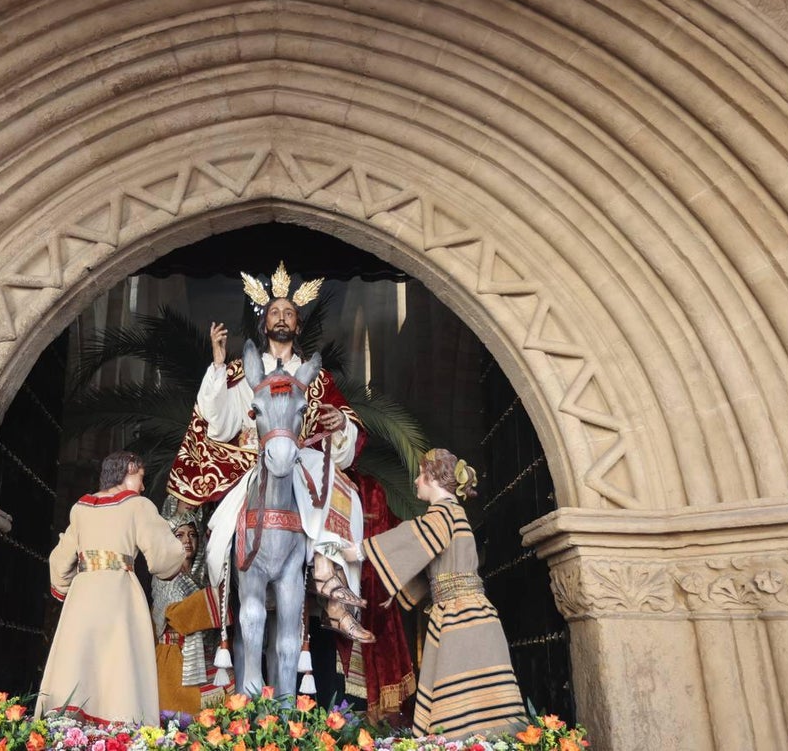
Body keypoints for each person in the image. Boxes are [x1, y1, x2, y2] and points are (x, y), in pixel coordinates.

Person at [165, 262, 374, 644]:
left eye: (289, 313)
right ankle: (223, 596)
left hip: (300, 459)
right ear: (265, 324)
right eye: (275, 312)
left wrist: (338, 424)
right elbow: (218, 422)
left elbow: (347, 424)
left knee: (341, 492)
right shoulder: (242, 371)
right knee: (218, 544)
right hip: (251, 465)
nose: (282, 317)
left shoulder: (316, 379)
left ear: (298, 325)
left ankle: (334, 593)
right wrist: (215, 364)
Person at [340, 449, 525, 737]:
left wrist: (359, 550)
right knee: (482, 696)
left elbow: (415, 535)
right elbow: (437, 563)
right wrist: (398, 591)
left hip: (461, 619)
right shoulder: (456, 515)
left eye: (420, 475)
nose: (415, 481)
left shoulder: (442, 515)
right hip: (471, 615)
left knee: (458, 697)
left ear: (432, 477)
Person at [36, 451, 186, 724]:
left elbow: (59, 561)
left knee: (77, 660)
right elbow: (164, 557)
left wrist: (63, 587)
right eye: (140, 478)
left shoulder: (81, 508)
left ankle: (69, 732)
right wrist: (181, 554)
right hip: (119, 593)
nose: (142, 486)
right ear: (129, 469)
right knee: (120, 663)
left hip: (83, 594)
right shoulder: (137, 505)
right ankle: (119, 730)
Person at [151, 498, 230, 713]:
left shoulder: (202, 579)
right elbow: (178, 616)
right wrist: (220, 598)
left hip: (204, 656)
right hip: (174, 659)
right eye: (180, 535)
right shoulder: (163, 575)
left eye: (193, 535)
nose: (188, 540)